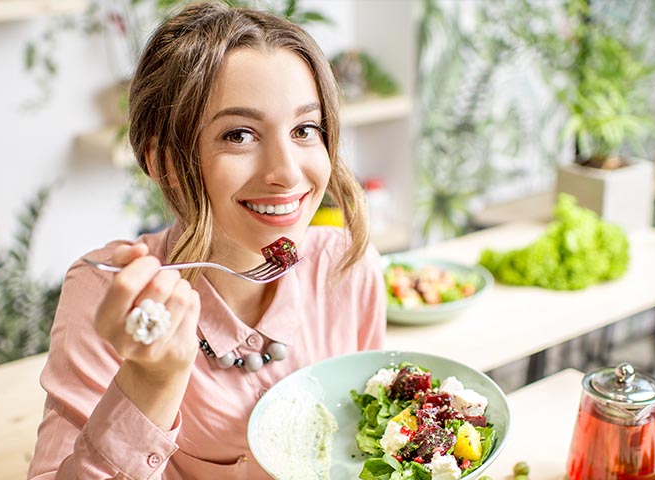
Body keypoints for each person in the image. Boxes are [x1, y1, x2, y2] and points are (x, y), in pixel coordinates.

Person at [27, 2, 386, 479]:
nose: (286, 173)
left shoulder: (348, 267)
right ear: (164, 163)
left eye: (305, 129)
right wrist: (150, 382)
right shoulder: (108, 297)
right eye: (239, 135)